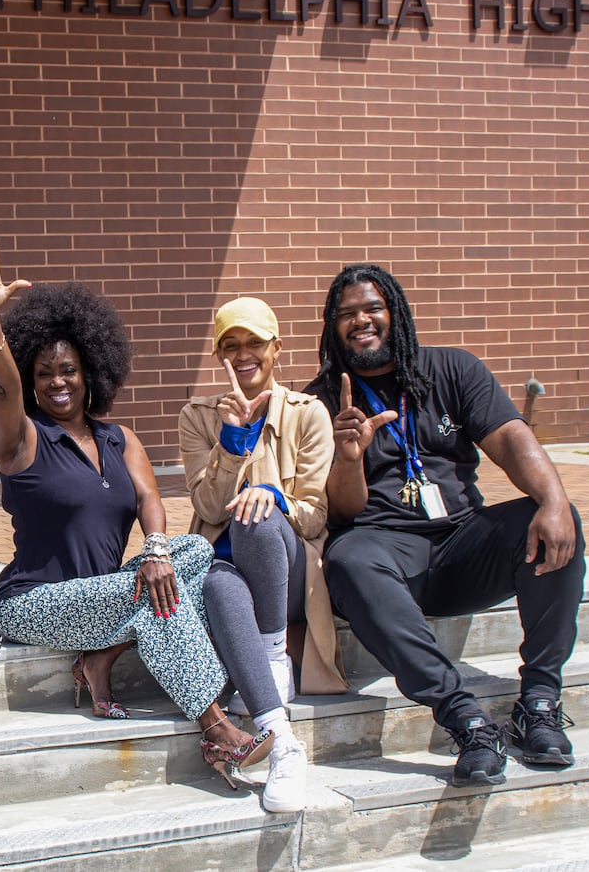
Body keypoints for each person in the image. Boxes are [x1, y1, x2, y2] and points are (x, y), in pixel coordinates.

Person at [0, 243, 274, 788]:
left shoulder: (120, 437)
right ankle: (218, 729)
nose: (57, 382)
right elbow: (2, 386)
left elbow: (152, 500)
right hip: (33, 601)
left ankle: (100, 657)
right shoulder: (23, 439)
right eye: (43, 373)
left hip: (108, 591)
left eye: (68, 369)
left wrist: (155, 551)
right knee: (156, 601)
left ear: (91, 371)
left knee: (193, 551)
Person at [305, 263, 587, 787]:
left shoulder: (452, 369)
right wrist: (348, 458)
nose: (360, 321)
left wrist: (552, 498)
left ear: (396, 312)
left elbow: (509, 438)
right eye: (345, 314)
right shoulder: (319, 401)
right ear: (331, 327)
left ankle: (540, 702)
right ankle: (466, 718)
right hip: (383, 555)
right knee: (346, 557)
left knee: (548, 517)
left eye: (372, 308)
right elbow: (339, 515)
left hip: (462, 544)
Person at [177, 296, 347, 813]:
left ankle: (273, 650)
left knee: (256, 512)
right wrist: (230, 443)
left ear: (276, 347)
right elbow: (206, 504)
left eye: (255, 343)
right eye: (231, 346)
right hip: (226, 569)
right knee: (214, 584)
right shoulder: (198, 416)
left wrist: (271, 495)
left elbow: (316, 515)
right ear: (219, 355)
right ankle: (283, 743)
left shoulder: (308, 412)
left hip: (287, 574)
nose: (244, 354)